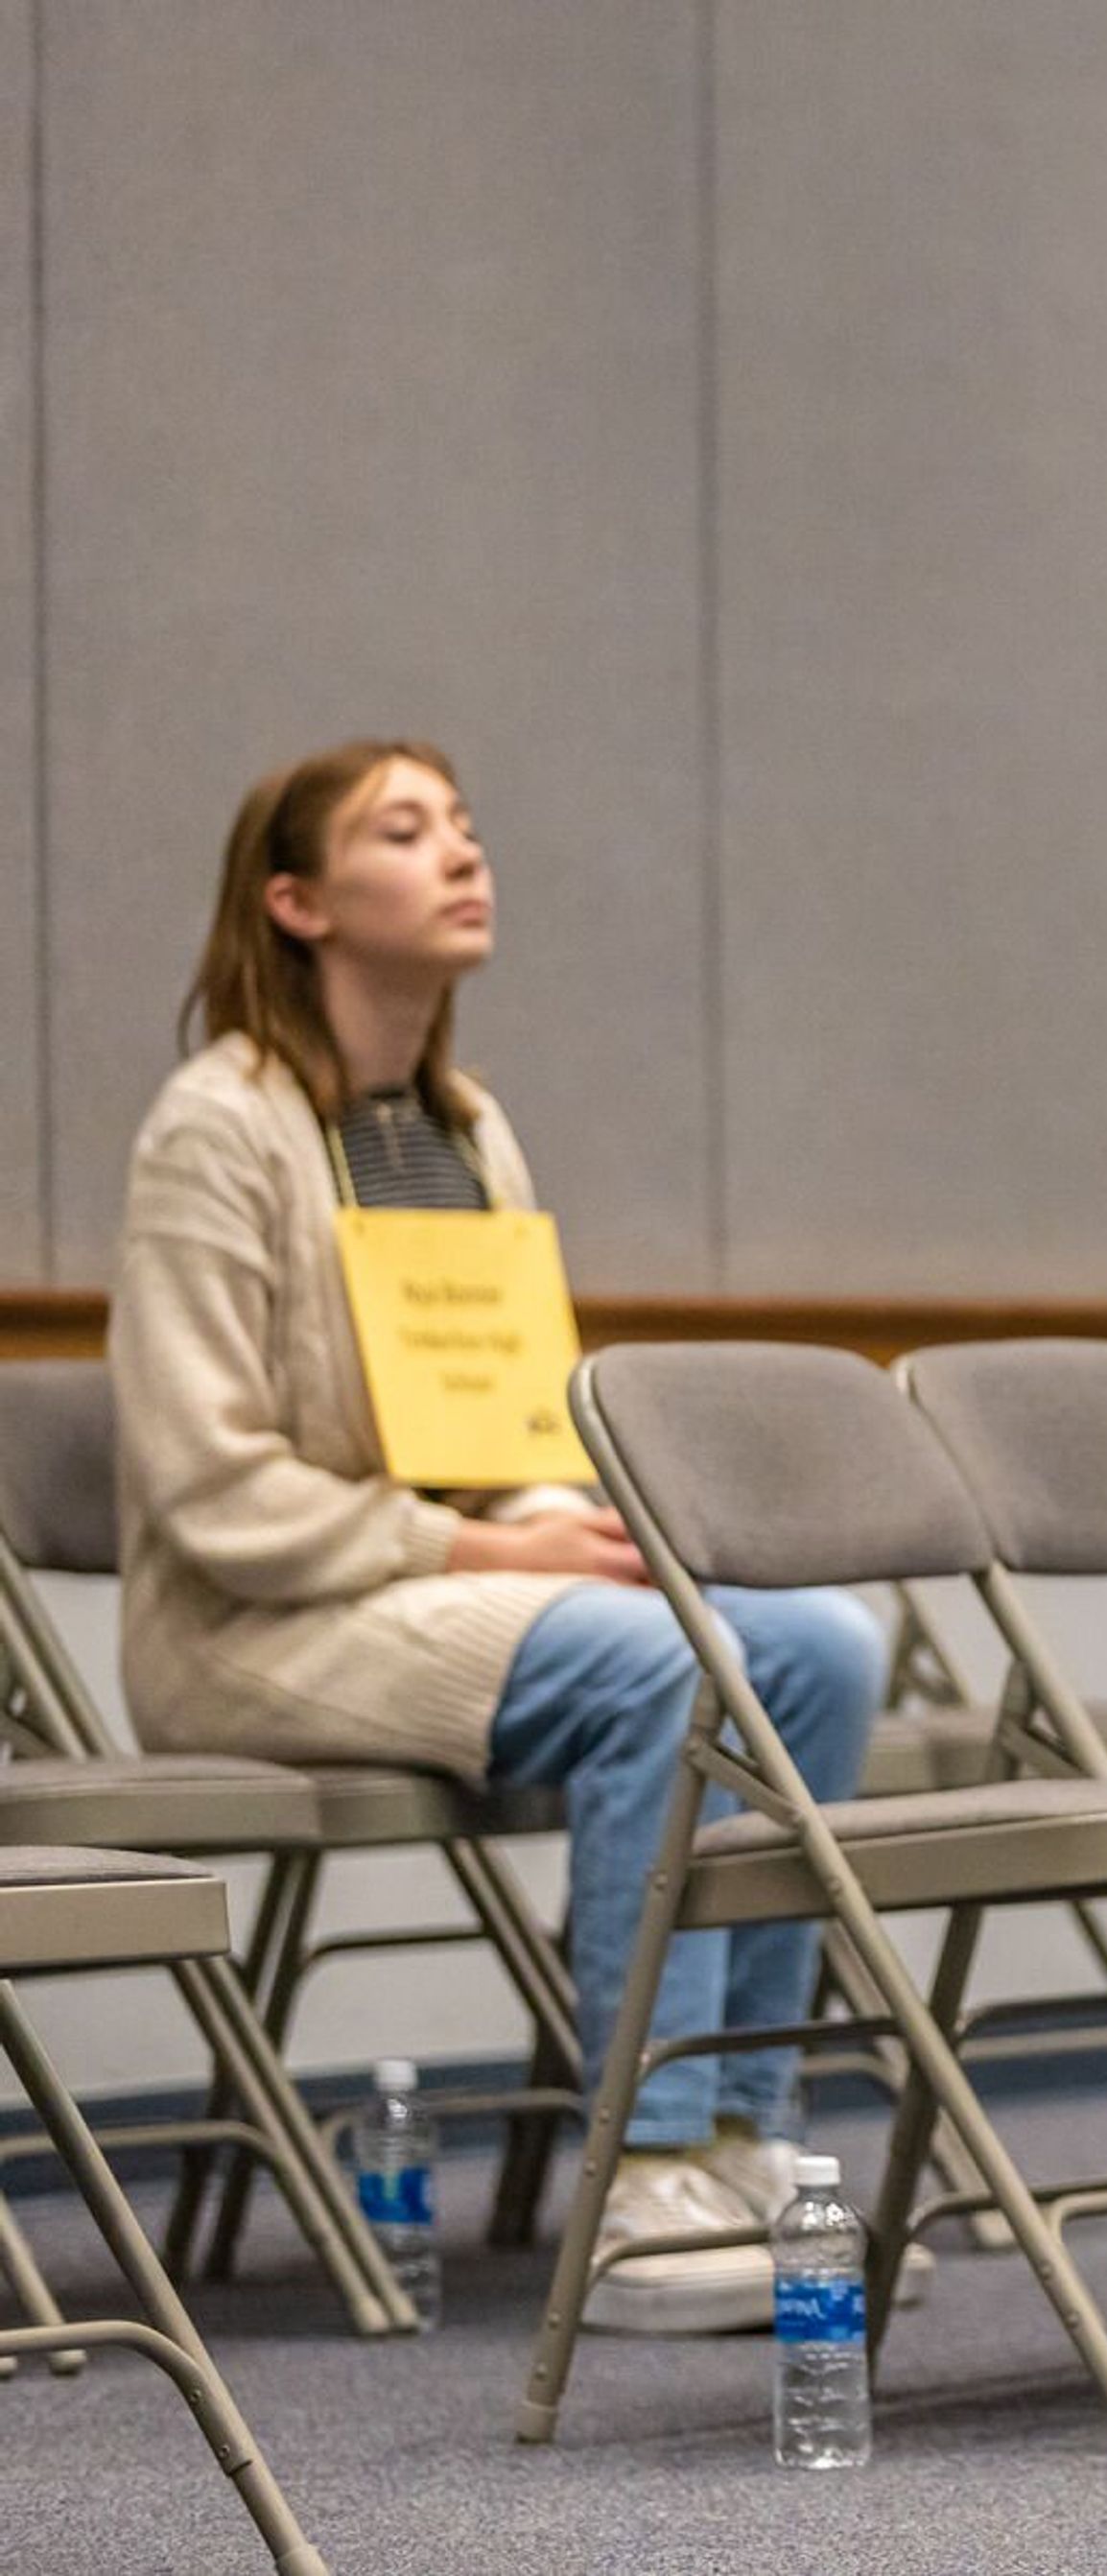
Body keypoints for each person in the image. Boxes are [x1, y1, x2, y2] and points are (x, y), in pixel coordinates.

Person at [111, 738, 890, 2335]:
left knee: (819, 1640)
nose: (463, 854)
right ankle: (641, 2172)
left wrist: (560, 1513)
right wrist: (478, 1554)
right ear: (299, 902)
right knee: (666, 1672)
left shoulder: (466, 1121)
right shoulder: (217, 1128)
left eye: (466, 825)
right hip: (256, 1627)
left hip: (435, 1585)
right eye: (406, 833)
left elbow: (497, 1431)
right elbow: (206, 1487)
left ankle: (744, 2133)